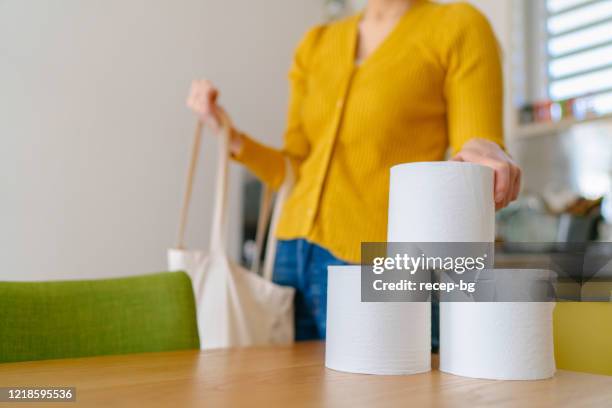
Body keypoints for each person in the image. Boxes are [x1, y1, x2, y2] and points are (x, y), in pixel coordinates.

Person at [187, 0, 521, 348]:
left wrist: (486, 154)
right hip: (290, 259)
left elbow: (476, 143)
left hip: (377, 263)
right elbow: (296, 168)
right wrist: (230, 135)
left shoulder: (458, 26)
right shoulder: (316, 43)